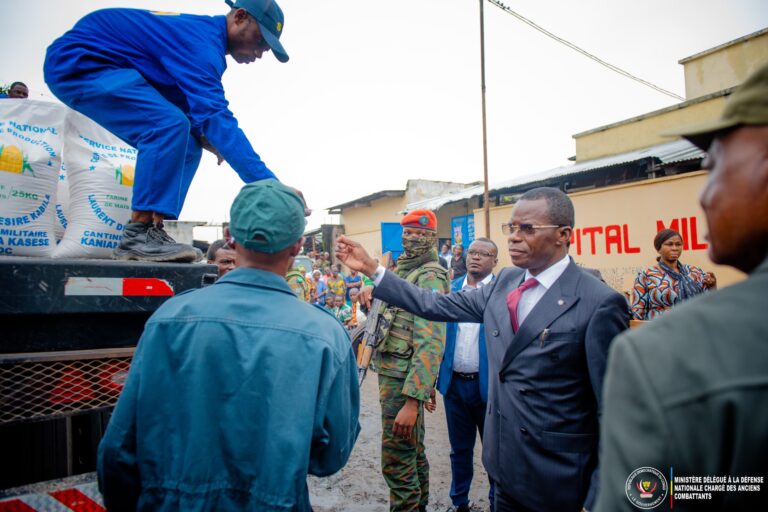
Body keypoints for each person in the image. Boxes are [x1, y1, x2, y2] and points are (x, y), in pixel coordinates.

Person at [337, 188, 629, 512]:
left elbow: (615, 412)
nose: (515, 238)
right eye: (512, 228)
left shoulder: (598, 302)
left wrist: (600, 497)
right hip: (503, 471)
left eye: (527, 229)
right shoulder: (504, 283)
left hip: (558, 482)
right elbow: (432, 304)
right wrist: (372, 269)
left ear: (563, 235)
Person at [97, 179, 359, 511]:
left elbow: (117, 451)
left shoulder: (171, 318)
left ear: (232, 238)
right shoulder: (326, 335)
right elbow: (331, 455)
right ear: (298, 246)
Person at [595, 62, 768, 512]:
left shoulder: (660, 358)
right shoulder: (649, 280)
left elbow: (645, 496)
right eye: (669, 242)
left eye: (713, 169)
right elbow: (637, 313)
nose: (705, 195)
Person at [43, 0, 306, 263]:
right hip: (80, 61)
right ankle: (139, 232)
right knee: (168, 126)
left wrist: (205, 136)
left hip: (119, 68)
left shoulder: (204, 42)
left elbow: (191, 109)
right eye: (260, 41)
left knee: (189, 145)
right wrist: (269, 185)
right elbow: (215, 117)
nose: (259, 53)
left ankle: (153, 231)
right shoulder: (201, 44)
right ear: (239, 17)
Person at [374, 209, 450, 511]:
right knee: (412, 456)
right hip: (396, 376)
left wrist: (413, 399)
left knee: (397, 462)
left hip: (403, 383)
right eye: (408, 232)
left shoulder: (430, 275)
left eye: (421, 234)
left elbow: (431, 341)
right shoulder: (404, 270)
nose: (413, 238)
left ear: (432, 237)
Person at [437, 238, 498, 512]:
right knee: (459, 451)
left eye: (484, 254)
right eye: (472, 252)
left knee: (495, 453)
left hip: (489, 390)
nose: (475, 257)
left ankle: (498, 503)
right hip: (455, 386)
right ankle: (458, 502)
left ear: (495, 261)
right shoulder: (451, 291)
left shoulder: (501, 293)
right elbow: (438, 339)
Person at [630, 228, 716, 320]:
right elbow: (637, 313)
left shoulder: (695, 272)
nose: (675, 248)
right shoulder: (646, 276)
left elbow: (708, 303)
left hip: (694, 328)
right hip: (662, 330)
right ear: (659, 249)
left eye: (678, 244)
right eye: (669, 244)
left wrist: (712, 287)